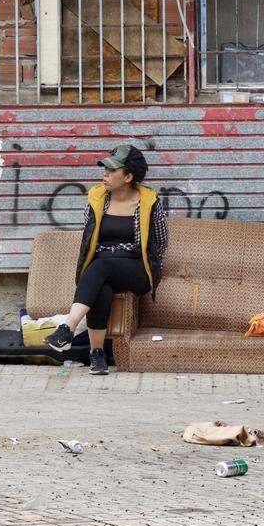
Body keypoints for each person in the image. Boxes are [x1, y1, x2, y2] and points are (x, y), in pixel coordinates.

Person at [43, 145, 168, 375]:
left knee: (101, 266)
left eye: (112, 171)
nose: (105, 175)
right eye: (105, 169)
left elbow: (161, 242)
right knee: (102, 288)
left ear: (128, 177)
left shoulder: (149, 202)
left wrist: (150, 267)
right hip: (102, 268)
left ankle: (67, 328)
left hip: (136, 270)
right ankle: (97, 354)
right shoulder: (97, 199)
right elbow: (88, 237)